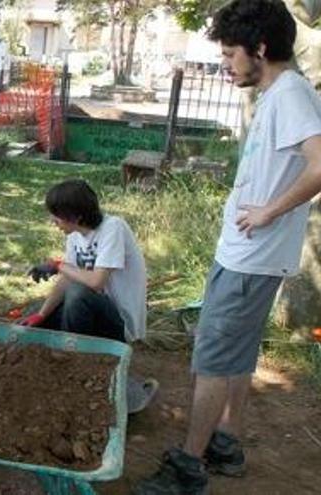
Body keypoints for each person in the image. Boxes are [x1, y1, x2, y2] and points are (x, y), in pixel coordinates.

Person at [135, 1, 321, 493]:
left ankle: (189, 467)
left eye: (229, 54)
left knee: (214, 359)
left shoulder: (292, 95)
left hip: (251, 259)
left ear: (260, 48)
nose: (225, 64)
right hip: (243, 257)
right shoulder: (276, 94)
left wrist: (268, 211)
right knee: (233, 353)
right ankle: (226, 440)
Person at [19, 179, 157, 413]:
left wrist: (58, 266)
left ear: (77, 217)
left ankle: (80, 373)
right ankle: (42, 378)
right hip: (88, 313)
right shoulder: (75, 237)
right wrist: (42, 314)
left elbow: (96, 282)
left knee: (78, 294)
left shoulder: (113, 228)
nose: (53, 221)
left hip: (117, 322)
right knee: (33, 313)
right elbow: (67, 278)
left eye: (57, 216)